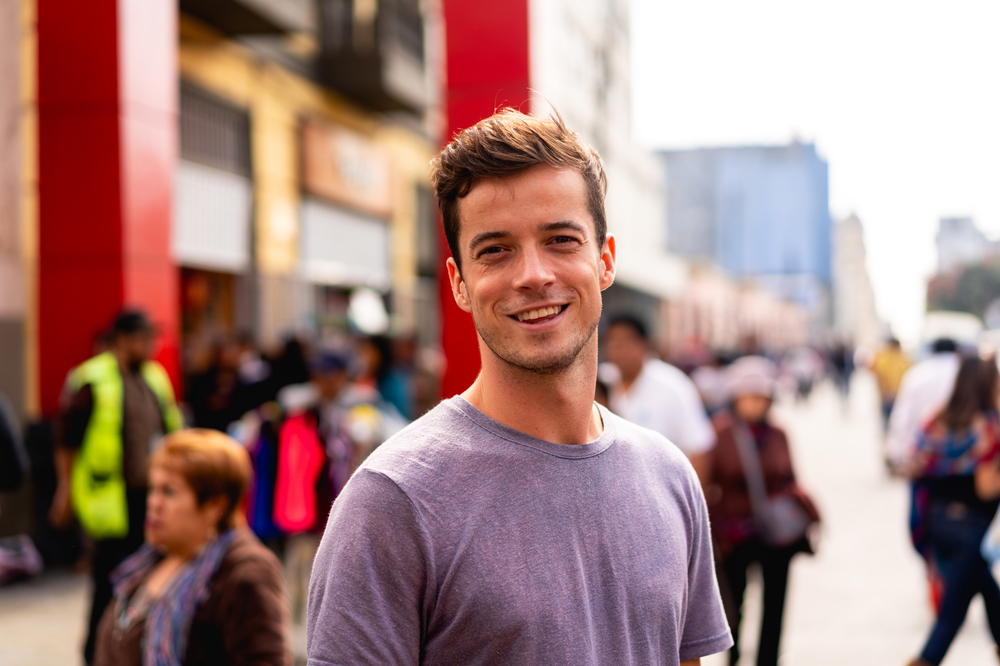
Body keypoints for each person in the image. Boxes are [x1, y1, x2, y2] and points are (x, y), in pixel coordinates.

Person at [306, 109, 732, 664]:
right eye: (495, 250)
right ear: (459, 282)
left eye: (560, 239)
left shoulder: (669, 477)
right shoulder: (392, 501)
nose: (533, 274)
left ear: (604, 260)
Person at [50, 308, 183, 664]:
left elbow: (171, 429)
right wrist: (65, 490)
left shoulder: (155, 377)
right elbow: (67, 440)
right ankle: (96, 655)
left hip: (151, 499)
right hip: (110, 501)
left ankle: (135, 651)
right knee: (108, 585)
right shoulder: (92, 379)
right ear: (122, 339)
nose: (151, 346)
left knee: (149, 581)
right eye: (144, 339)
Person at [93, 429, 291, 665]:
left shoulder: (245, 572)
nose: (154, 503)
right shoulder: (150, 560)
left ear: (215, 505)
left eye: (169, 492)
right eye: (153, 489)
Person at [705, 356, 820, 666]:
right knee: (734, 605)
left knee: (775, 605)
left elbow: (791, 477)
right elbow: (709, 483)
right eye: (748, 396)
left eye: (760, 396)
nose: (754, 403)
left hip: (776, 535)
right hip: (736, 534)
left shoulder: (779, 433)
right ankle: (734, 657)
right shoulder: (720, 433)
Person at [906, 356, 1000, 666]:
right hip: (972, 527)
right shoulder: (987, 426)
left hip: (937, 521)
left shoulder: (936, 420)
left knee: (969, 598)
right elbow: (987, 487)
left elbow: (915, 464)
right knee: (956, 608)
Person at [602, 314, 716, 482]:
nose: (617, 349)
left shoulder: (673, 385)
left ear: (644, 345)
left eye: (625, 342)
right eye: (612, 342)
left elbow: (698, 448)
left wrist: (690, 504)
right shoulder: (601, 380)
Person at [869, 337, 911, 434]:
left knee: (888, 421)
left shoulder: (882, 356)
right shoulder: (904, 358)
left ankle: (888, 439)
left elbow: (874, 371)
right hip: (896, 396)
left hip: (888, 396)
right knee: (895, 421)